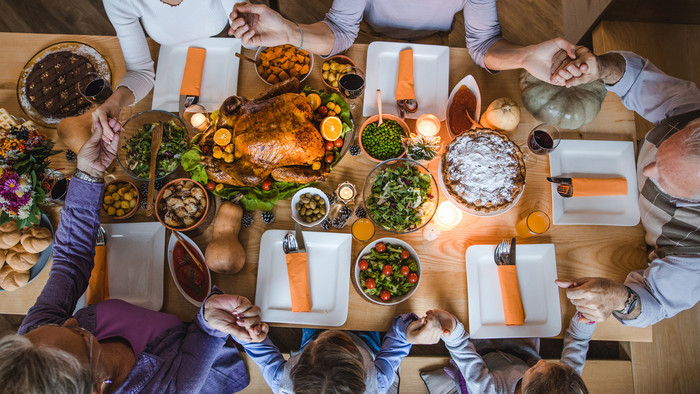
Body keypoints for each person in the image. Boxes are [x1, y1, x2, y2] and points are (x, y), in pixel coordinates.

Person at [0, 119, 268, 394]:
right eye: (81, 337)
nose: (69, 320)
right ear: (96, 387)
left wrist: (88, 174)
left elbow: (70, 260)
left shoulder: (37, 341)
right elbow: (200, 341)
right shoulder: (169, 388)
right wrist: (209, 322)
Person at [550, 48, 700, 327]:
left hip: (624, 240)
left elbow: (656, 305)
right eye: (662, 153)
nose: (645, 170)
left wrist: (621, 298)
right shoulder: (693, 113)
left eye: (666, 181)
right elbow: (636, 78)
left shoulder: (695, 256)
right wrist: (601, 67)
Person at [228, 1, 579, 84]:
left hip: (438, 38)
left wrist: (524, 56)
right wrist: (291, 32)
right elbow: (341, 30)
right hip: (371, 33)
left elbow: (484, 42)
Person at [96, 0, 236, 132]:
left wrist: (250, 32)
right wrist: (115, 102)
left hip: (228, 44)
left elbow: (249, 35)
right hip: (171, 76)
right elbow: (140, 72)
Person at [234, 313, 439, 393]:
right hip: (367, 340)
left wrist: (251, 335)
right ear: (364, 373)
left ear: (297, 365)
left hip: (314, 330)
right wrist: (408, 333)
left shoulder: (280, 381)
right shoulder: (380, 381)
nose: (337, 332)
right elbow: (397, 342)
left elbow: (259, 351)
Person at [416, 310, 592, 394]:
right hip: (515, 356)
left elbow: (466, 357)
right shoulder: (566, 381)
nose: (541, 361)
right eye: (548, 363)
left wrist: (452, 330)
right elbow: (579, 342)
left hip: (481, 363)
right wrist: (586, 318)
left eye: (533, 370)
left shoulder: (487, 390)